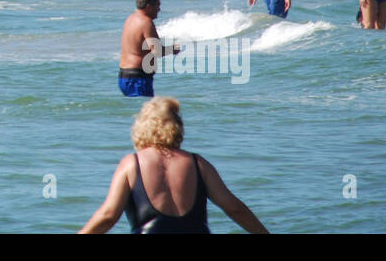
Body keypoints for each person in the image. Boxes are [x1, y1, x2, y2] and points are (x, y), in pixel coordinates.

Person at [79, 97, 269, 234]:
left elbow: (109, 215)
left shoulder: (131, 164)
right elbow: (234, 208)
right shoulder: (199, 164)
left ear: (143, 126)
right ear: (177, 126)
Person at [119, 0, 177, 97]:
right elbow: (157, 51)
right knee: (147, 111)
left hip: (125, 76)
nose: (159, 9)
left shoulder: (131, 19)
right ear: (149, 6)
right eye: (157, 5)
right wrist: (173, 49)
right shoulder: (146, 22)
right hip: (138, 77)